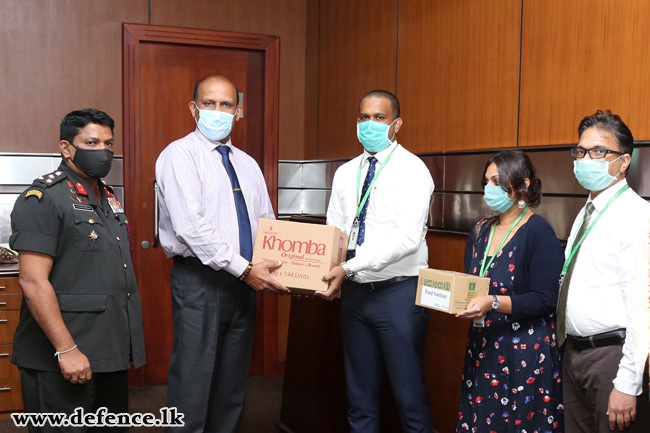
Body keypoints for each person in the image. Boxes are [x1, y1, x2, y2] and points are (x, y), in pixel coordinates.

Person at [155, 74, 288, 433]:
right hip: (201, 280)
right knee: (194, 381)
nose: (218, 111)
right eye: (209, 104)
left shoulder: (247, 163)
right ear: (193, 109)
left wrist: (285, 267)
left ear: (238, 112)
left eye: (226, 105)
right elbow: (190, 227)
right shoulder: (179, 155)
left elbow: (266, 223)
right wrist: (246, 269)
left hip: (244, 283)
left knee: (232, 381)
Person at [9, 108, 146, 428]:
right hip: (62, 353)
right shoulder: (43, 197)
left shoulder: (107, 195)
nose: (103, 152)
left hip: (108, 350)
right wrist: (66, 349)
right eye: (92, 142)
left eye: (109, 144)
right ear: (66, 147)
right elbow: (32, 281)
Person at [319, 89, 435, 433]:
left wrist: (348, 266)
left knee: (408, 396)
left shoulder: (413, 170)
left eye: (379, 117)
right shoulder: (346, 172)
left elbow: (406, 239)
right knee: (359, 397)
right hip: (354, 294)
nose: (370, 124)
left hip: (399, 294)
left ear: (396, 124)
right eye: (363, 117)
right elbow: (335, 228)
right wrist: (325, 269)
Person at [455, 150, 565, 432]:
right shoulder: (480, 231)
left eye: (497, 181)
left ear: (523, 185)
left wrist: (492, 302)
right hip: (485, 344)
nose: (489, 188)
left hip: (525, 353)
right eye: (486, 181)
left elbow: (545, 300)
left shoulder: (539, 231)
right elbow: (473, 283)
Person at [556, 110, 650, 432]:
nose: (585, 159)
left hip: (611, 357)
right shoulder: (587, 210)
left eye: (599, 152)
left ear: (623, 162)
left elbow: (642, 307)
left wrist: (627, 383)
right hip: (574, 354)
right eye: (580, 151)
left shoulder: (636, 215)